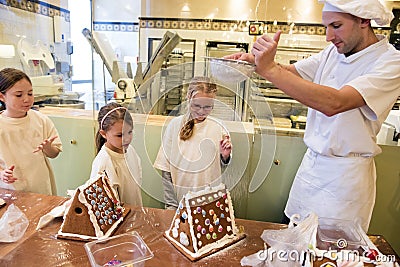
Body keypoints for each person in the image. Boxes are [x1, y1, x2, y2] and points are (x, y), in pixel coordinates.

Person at [225, 0, 400, 231]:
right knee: (294, 240)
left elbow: (335, 102)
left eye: (336, 26)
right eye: (326, 26)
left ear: (364, 21)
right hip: (311, 170)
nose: (328, 36)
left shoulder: (390, 61)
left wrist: (269, 69)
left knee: (328, 255)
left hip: (345, 180)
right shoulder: (333, 52)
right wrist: (256, 63)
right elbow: (291, 72)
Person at [154, 76, 232, 209]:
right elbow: (166, 170)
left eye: (208, 107)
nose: (201, 112)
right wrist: (171, 205)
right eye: (197, 106)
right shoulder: (175, 125)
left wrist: (225, 156)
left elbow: (223, 168)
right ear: (188, 97)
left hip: (210, 202)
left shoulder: (219, 127)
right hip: (181, 202)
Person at [0, 68, 62, 195]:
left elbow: (54, 153)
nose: (26, 99)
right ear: (2, 96)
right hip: (10, 190)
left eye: (30, 93)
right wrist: (2, 173)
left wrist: (48, 148)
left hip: (40, 187)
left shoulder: (41, 120)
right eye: (19, 95)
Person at [90, 102, 142, 206]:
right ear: (104, 134)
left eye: (130, 132)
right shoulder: (104, 163)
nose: (127, 139)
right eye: (120, 135)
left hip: (134, 212)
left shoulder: (130, 151)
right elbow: (105, 206)